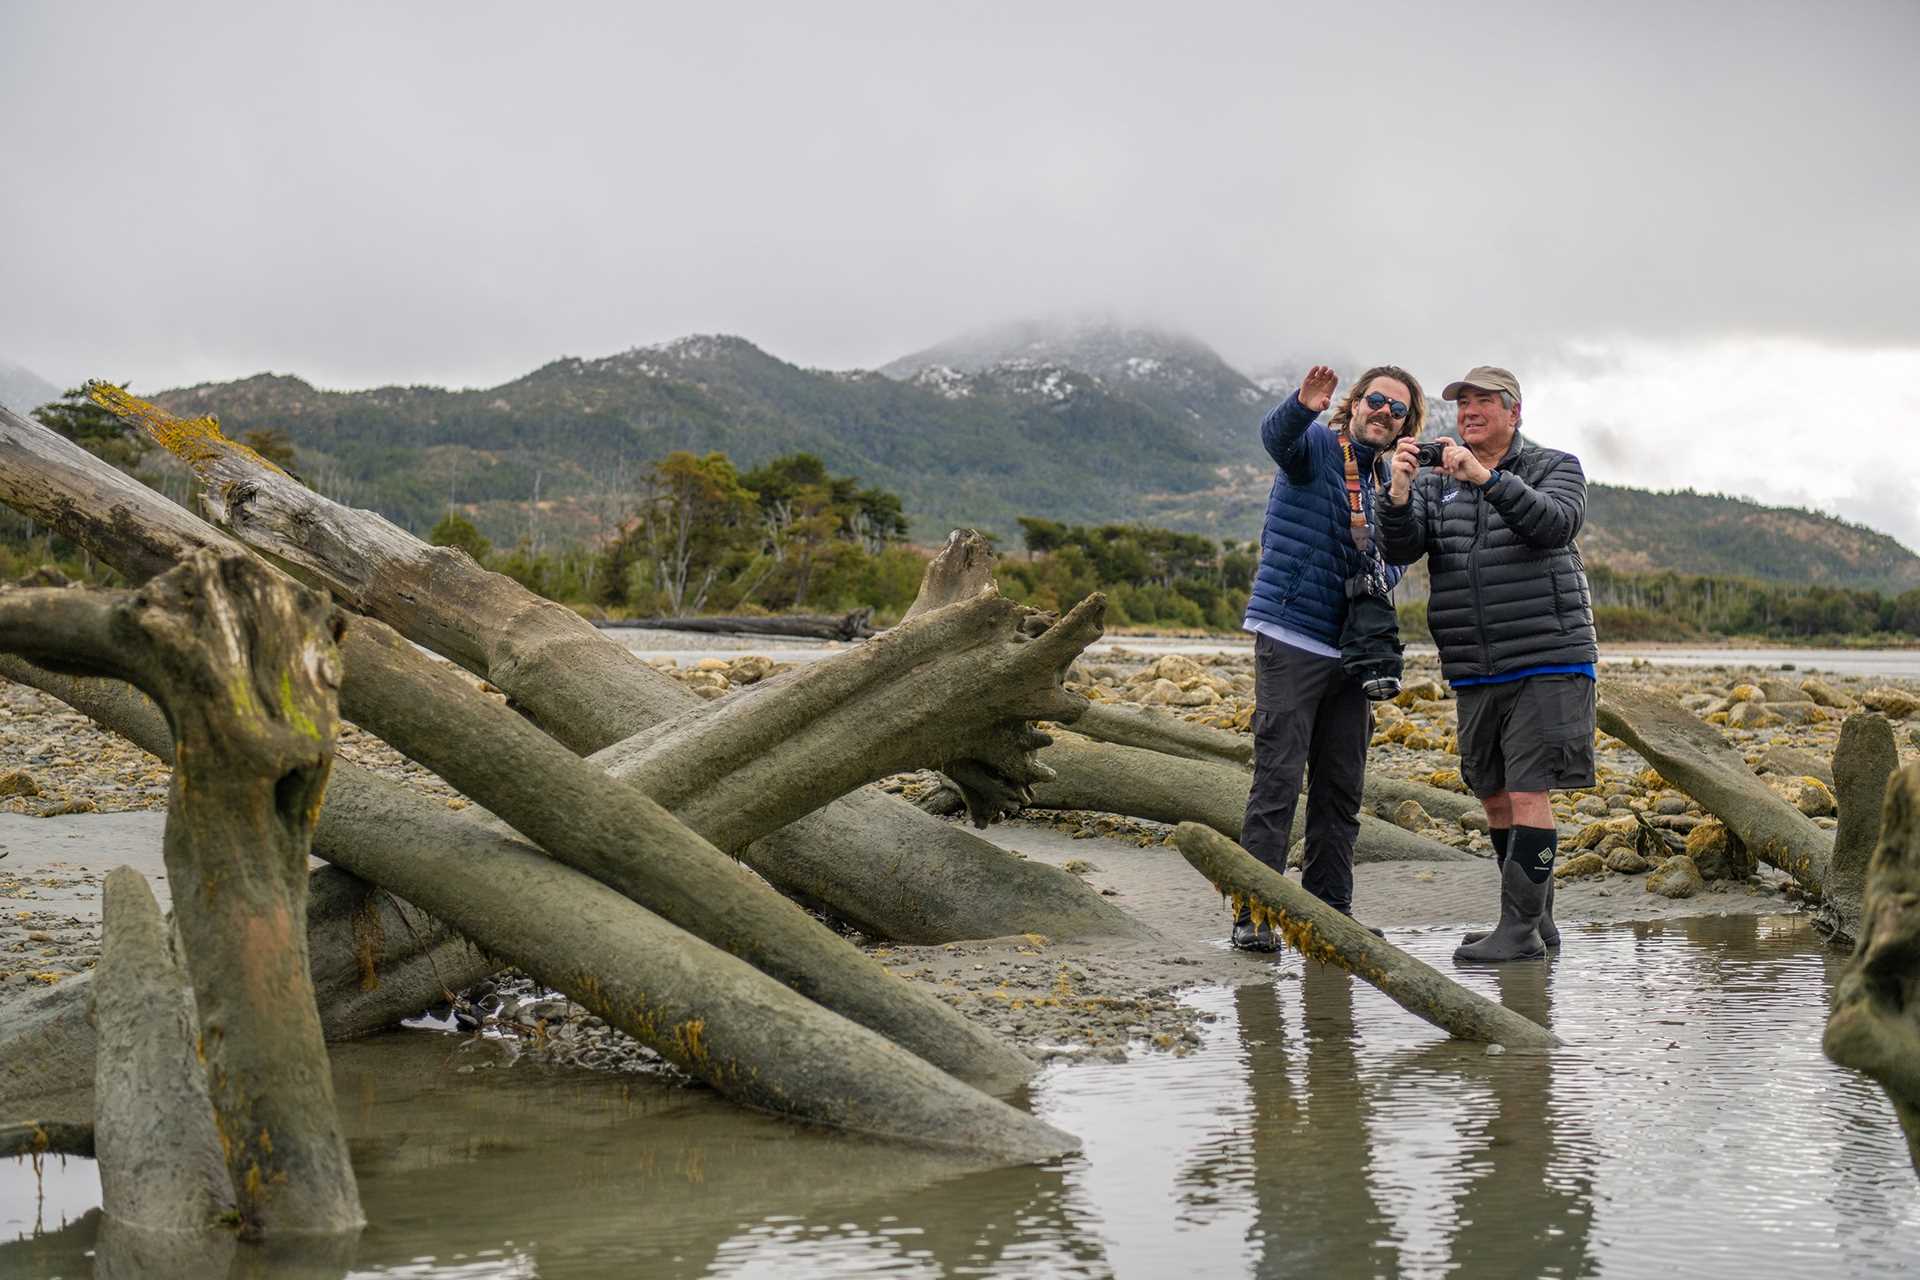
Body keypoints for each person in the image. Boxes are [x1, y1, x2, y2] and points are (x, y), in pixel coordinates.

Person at [1378, 366, 1598, 963]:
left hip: (1547, 655)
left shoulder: (1557, 466)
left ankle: (1518, 930)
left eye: (1483, 402)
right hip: (1475, 664)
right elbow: (1399, 547)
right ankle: (1537, 925)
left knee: (1529, 791)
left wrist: (1488, 479)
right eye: (1462, 403)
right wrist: (1397, 493)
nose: (1469, 411)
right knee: (1494, 795)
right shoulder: (1433, 481)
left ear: (1514, 412)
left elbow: (1555, 525)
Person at [1236, 363, 1424, 949]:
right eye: (1376, 401)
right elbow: (1277, 439)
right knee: (1278, 780)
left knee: (1341, 789)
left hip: (1353, 653)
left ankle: (1329, 915)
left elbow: (1398, 556)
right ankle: (1255, 913)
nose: (1383, 413)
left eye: (1397, 410)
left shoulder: (1394, 480)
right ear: (1356, 403)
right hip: (1291, 633)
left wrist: (1395, 500)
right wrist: (1302, 404)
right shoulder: (1317, 445)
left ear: (1405, 426)